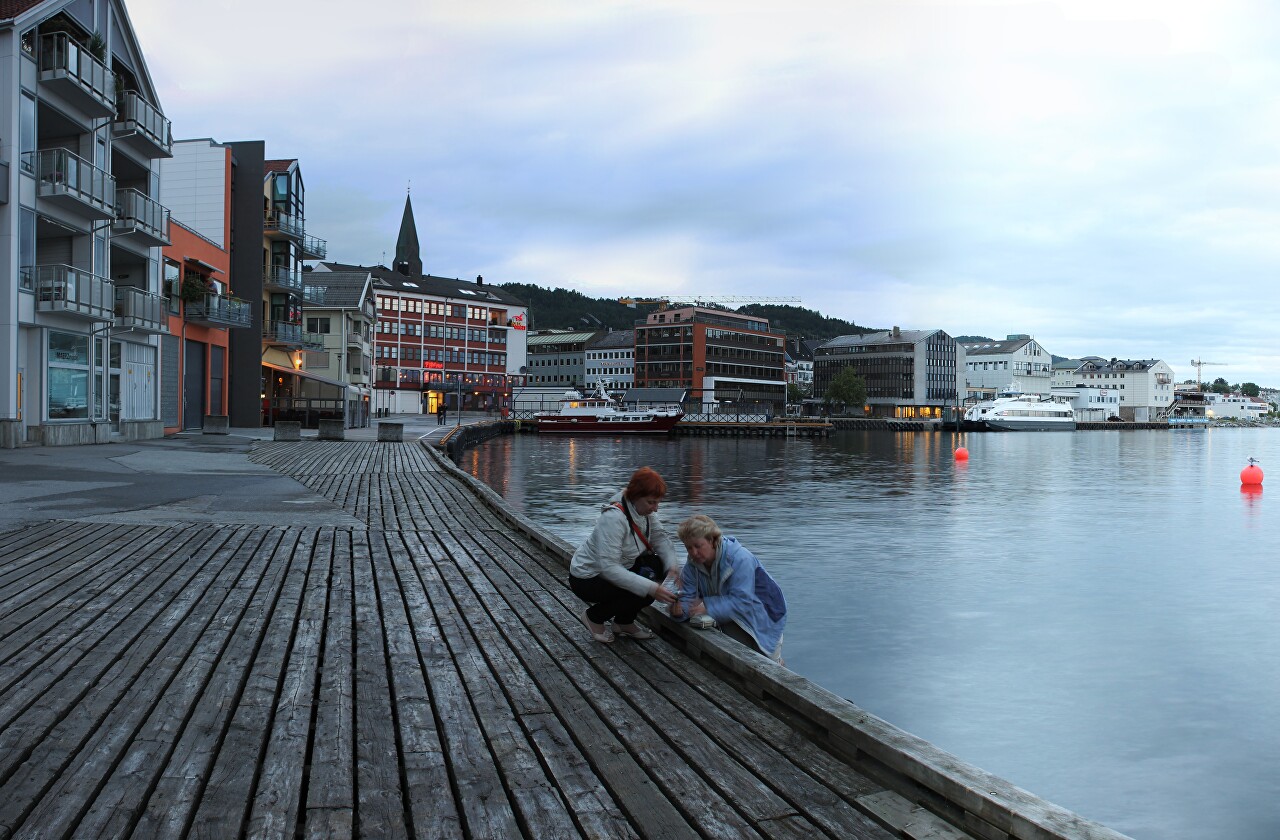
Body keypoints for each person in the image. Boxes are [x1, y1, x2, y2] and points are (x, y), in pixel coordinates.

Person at [569, 466, 680, 643]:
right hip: (588, 577)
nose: (656, 509)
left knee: (658, 567)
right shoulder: (613, 519)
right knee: (644, 587)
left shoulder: (642, 511)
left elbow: (660, 537)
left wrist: (673, 567)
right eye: (652, 502)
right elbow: (609, 569)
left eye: (658, 503)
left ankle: (623, 623)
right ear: (636, 497)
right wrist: (652, 587)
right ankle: (594, 617)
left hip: (620, 567)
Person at [672, 514, 787, 664]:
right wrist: (680, 610)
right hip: (730, 615)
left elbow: (742, 601)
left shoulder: (740, 559)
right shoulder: (691, 567)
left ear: (712, 540)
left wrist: (706, 606)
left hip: (764, 615)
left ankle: (778, 663)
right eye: (688, 547)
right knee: (741, 663)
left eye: (698, 546)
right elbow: (689, 598)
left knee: (768, 667)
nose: (693, 553)